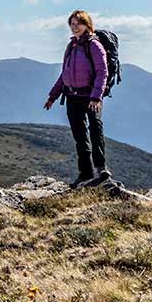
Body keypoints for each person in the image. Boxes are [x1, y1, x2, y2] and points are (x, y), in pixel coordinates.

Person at [44, 9, 109, 187]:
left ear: (87, 24)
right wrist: (53, 96)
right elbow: (64, 74)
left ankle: (101, 169)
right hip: (72, 96)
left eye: (78, 23)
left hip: (90, 97)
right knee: (80, 136)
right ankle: (85, 172)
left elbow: (102, 72)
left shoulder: (94, 45)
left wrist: (96, 97)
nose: (74, 27)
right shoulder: (71, 47)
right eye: (72, 24)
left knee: (95, 130)